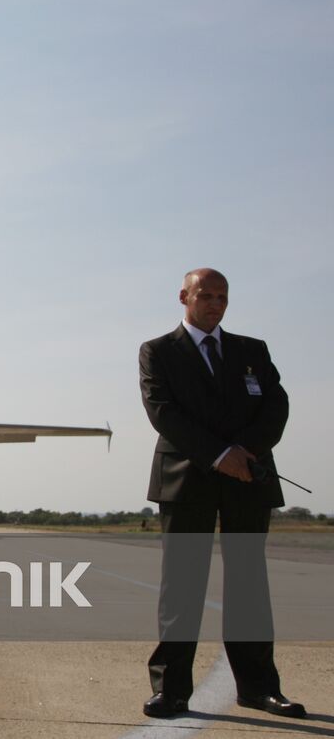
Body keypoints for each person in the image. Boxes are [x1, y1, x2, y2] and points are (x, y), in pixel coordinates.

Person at [139, 268, 304, 719]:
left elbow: (277, 404)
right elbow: (163, 413)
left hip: (247, 477)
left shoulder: (252, 351)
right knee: (183, 586)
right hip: (187, 479)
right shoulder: (157, 352)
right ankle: (171, 690)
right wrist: (217, 455)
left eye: (222, 297)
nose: (215, 303)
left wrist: (243, 453)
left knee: (249, 583)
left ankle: (258, 688)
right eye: (206, 295)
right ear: (184, 297)